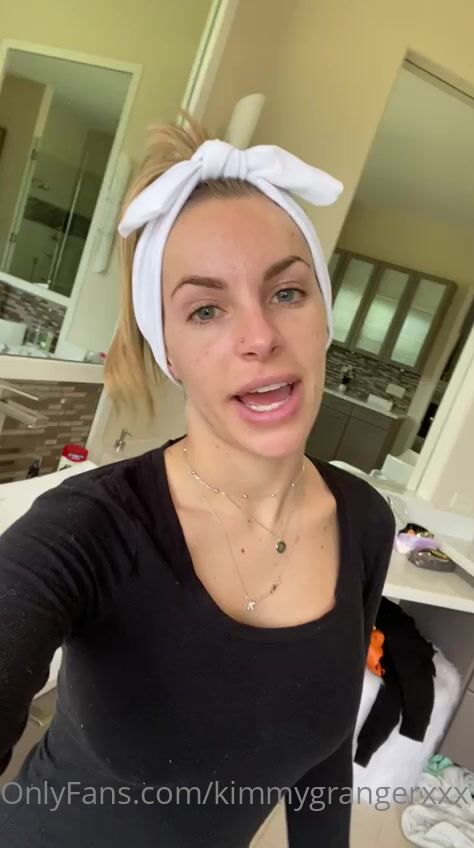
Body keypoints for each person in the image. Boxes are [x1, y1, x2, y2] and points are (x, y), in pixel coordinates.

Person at [0, 116, 395, 847]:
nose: (259, 336)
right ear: (170, 352)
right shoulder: (84, 529)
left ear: (324, 319)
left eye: (288, 292)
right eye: (206, 310)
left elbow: (326, 753)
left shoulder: (364, 521)